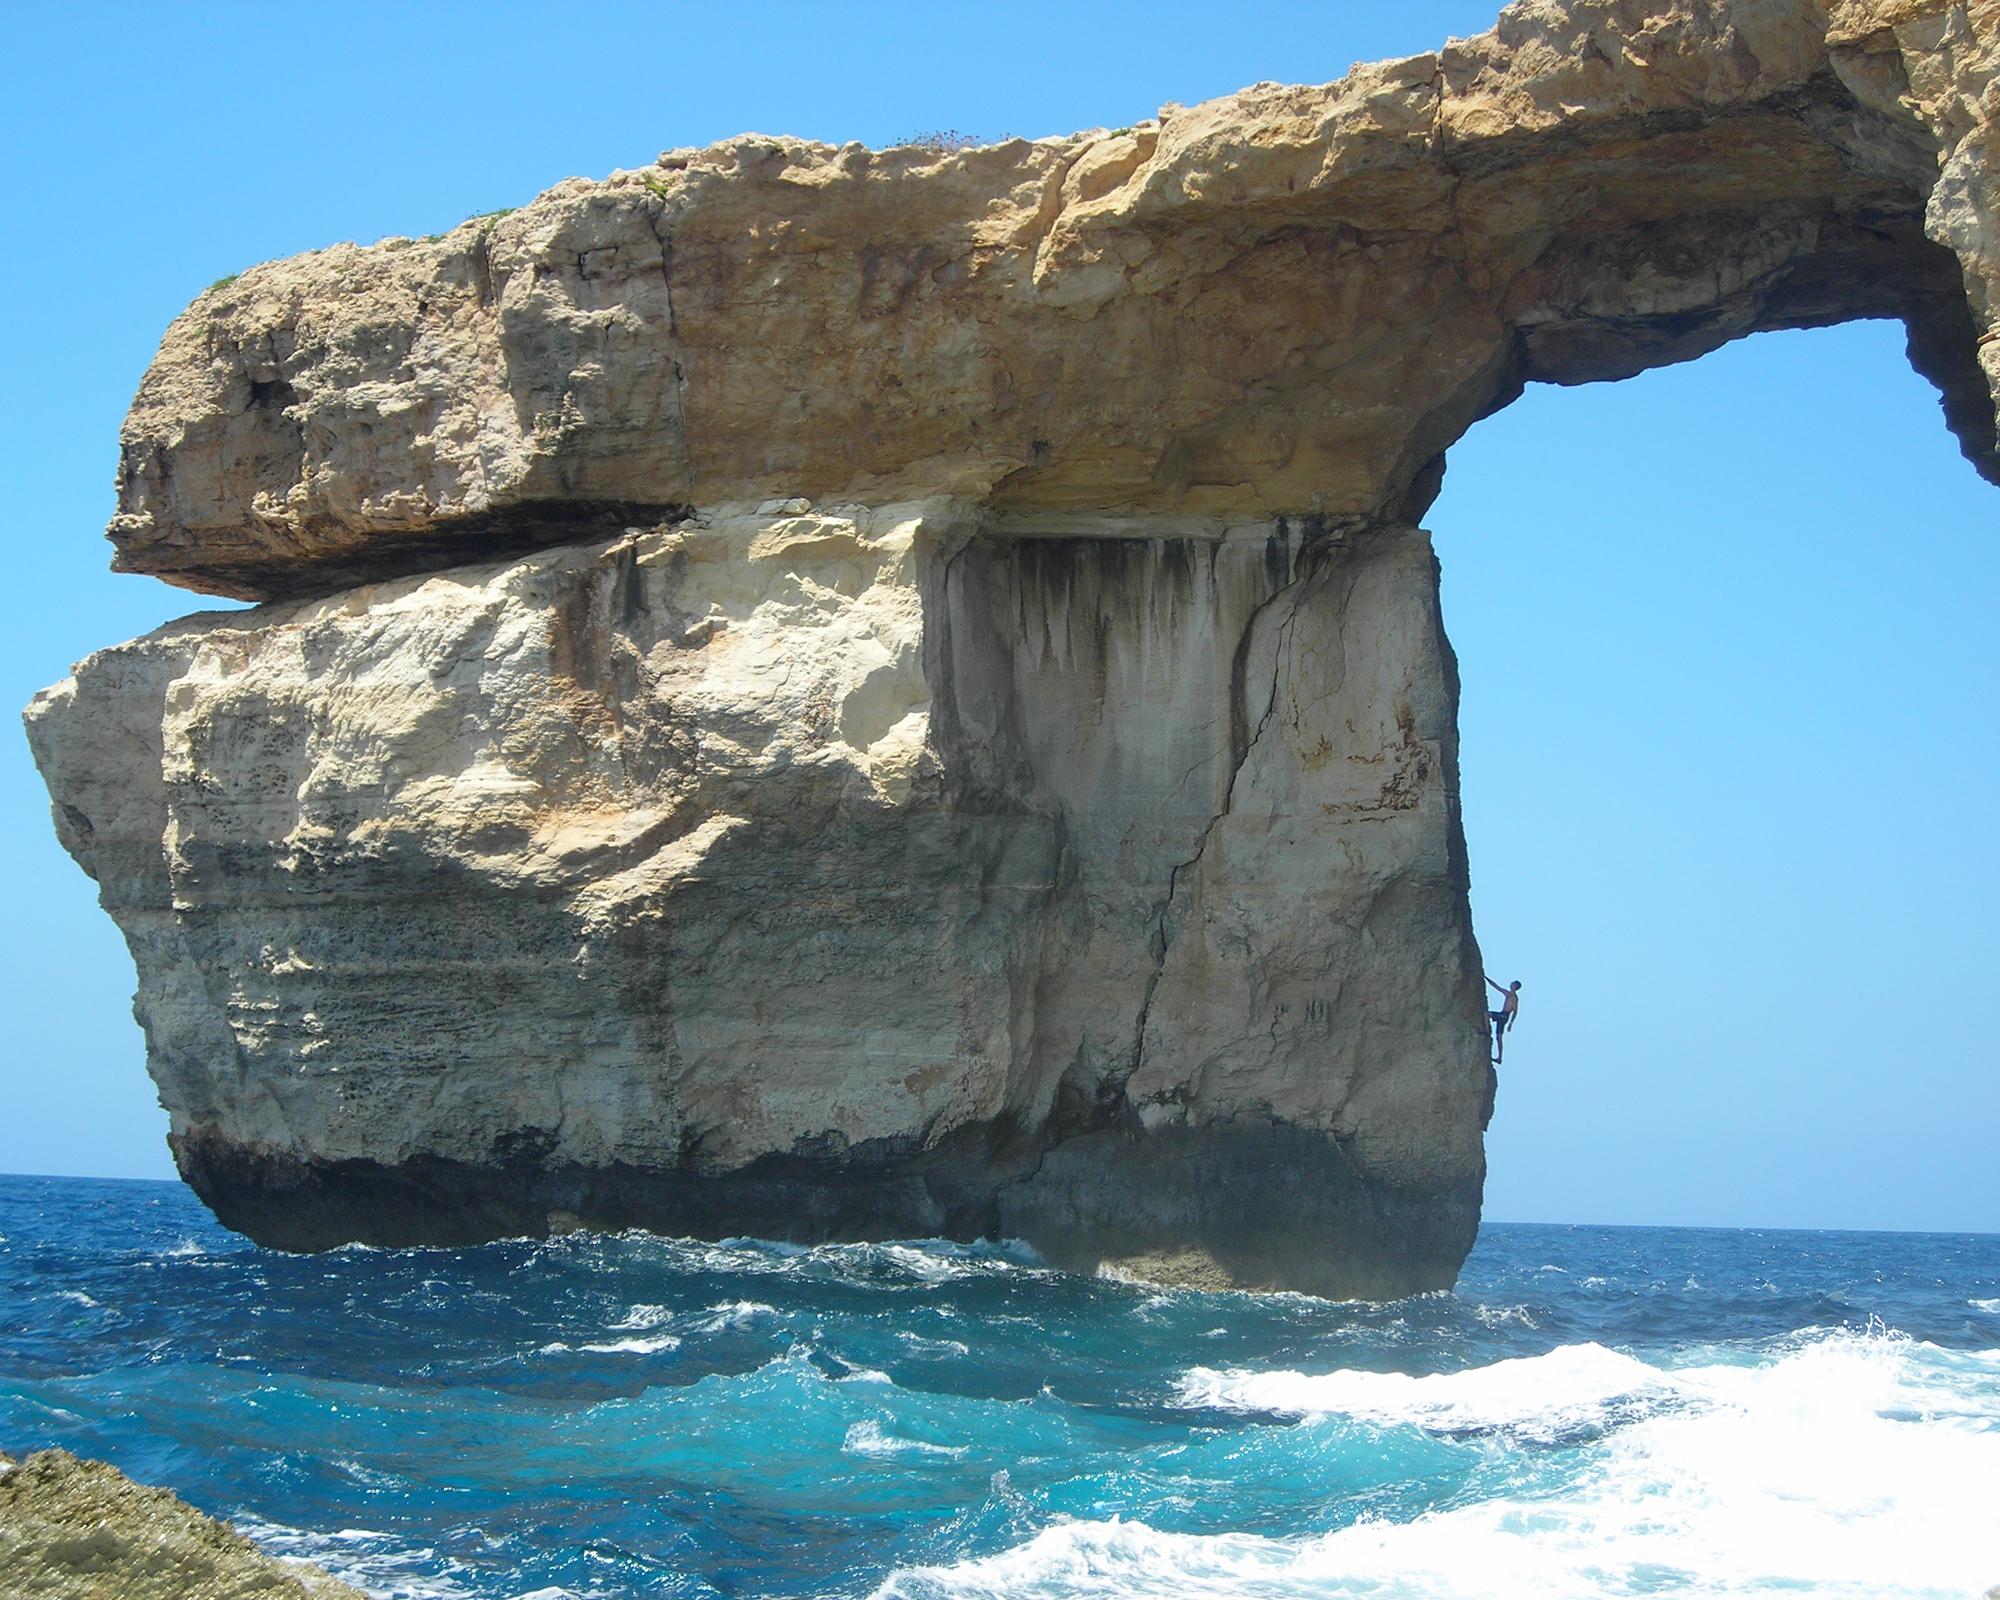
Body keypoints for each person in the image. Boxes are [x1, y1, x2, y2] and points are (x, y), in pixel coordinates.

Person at [1486, 976, 1522, 1063]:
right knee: (1499, 1037)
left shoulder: (1514, 998)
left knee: (1486, 1014)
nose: (1511, 983)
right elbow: (1496, 987)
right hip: (1502, 1015)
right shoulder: (1508, 993)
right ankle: (1499, 1058)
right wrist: (1486, 978)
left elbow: (1515, 1011)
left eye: (1513, 983)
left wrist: (1510, 1023)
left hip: (1504, 1016)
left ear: (1515, 986)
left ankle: (1487, 1031)